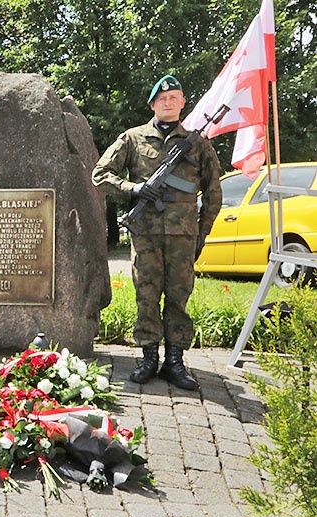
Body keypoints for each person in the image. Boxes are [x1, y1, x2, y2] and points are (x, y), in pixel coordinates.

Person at [91, 75, 222, 390]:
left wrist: (200, 233)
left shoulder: (198, 143)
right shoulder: (132, 139)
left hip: (183, 236)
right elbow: (100, 174)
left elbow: (213, 194)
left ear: (182, 103)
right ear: (152, 104)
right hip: (146, 234)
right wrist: (134, 188)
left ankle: (174, 362)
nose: (168, 102)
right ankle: (149, 357)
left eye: (174, 97)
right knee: (146, 297)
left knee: (179, 297)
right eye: (162, 98)